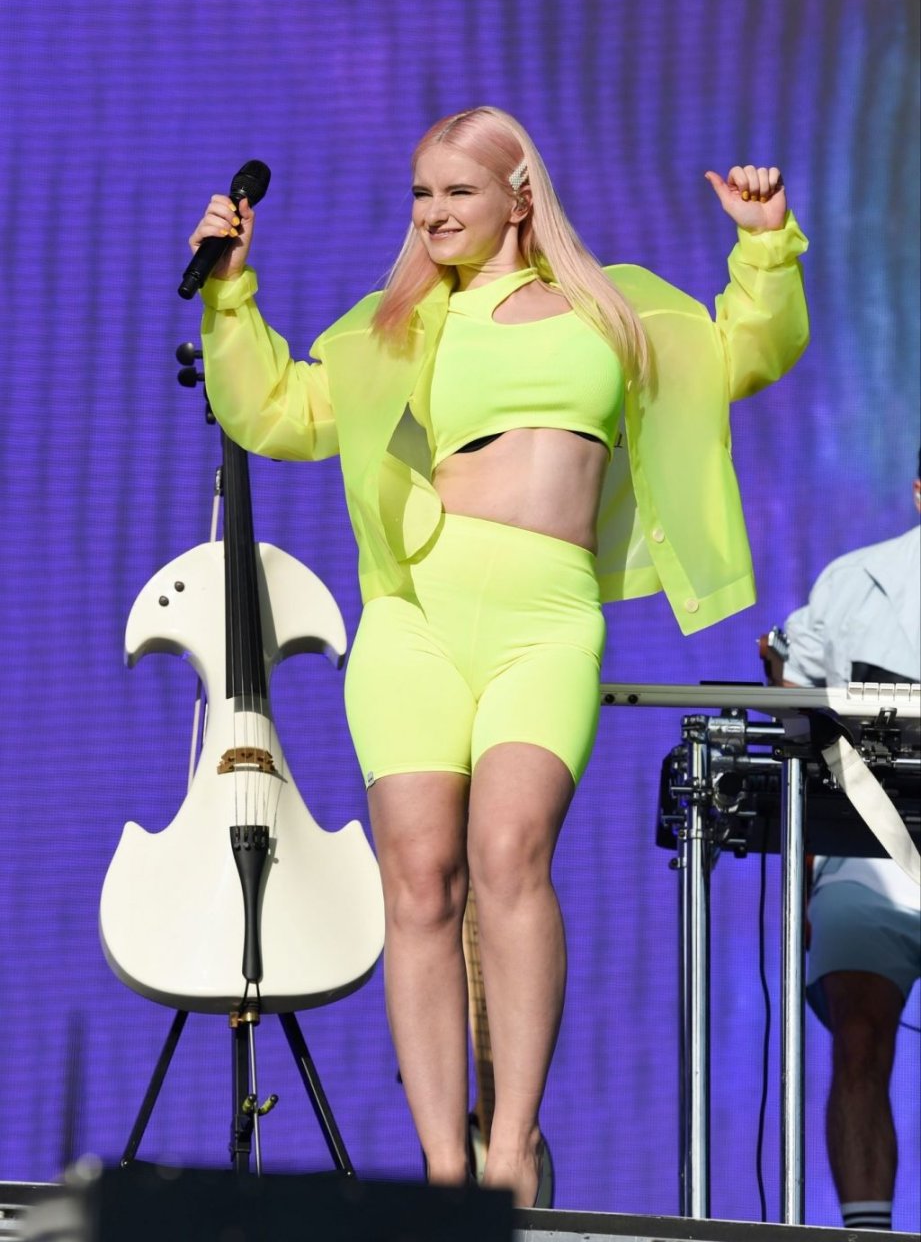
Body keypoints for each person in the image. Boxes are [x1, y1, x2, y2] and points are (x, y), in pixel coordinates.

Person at [190, 106, 808, 1207]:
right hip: (417, 619)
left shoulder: (612, 307)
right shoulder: (398, 325)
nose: (433, 214)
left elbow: (738, 351)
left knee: (511, 853)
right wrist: (231, 296)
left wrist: (765, 246)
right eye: (420, 194)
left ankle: (513, 1145)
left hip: (546, 618)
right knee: (420, 879)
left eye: (457, 192)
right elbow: (279, 410)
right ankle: (445, 1169)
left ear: (520, 194)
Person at [782, 465, 921, 1233]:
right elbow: (793, 694)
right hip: (867, 852)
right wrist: (805, 873)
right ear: (918, 491)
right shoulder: (851, 580)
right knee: (858, 1030)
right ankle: (865, 1231)